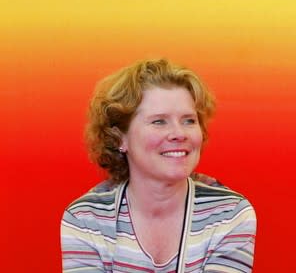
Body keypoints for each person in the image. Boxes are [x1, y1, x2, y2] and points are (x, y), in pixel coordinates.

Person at [61, 58, 257, 273]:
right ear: (119, 139)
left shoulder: (229, 213)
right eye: (159, 121)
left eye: (189, 120)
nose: (179, 134)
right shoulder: (86, 218)